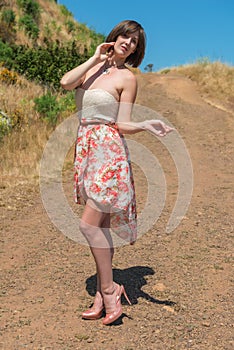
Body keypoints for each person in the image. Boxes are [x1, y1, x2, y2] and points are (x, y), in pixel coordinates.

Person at [60, 19, 173, 325]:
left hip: (109, 152)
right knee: (103, 227)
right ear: (115, 36)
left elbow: (122, 123)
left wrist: (146, 124)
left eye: (134, 42)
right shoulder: (94, 68)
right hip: (86, 150)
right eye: (125, 36)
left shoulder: (127, 78)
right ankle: (100, 296)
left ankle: (110, 289)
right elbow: (66, 83)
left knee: (88, 226)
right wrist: (96, 58)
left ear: (137, 50)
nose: (128, 43)